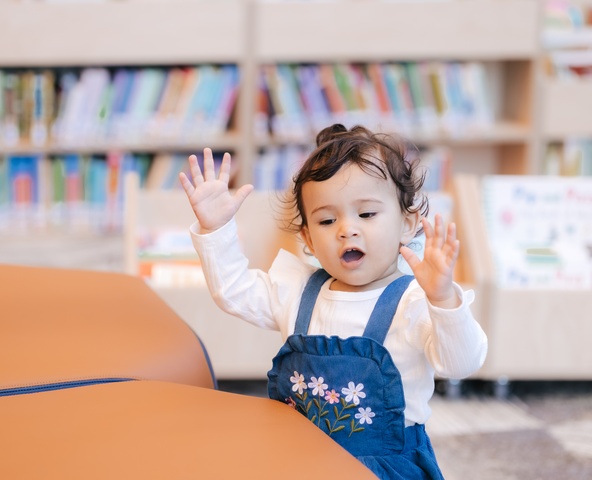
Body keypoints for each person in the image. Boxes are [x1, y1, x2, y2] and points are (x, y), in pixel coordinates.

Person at [179, 124, 487, 479]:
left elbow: (461, 364)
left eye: (367, 214)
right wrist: (216, 229)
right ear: (308, 238)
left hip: (383, 469)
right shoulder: (298, 291)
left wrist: (443, 298)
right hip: (301, 461)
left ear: (407, 223)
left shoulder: (415, 301)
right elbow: (233, 291)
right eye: (327, 219)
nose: (346, 229)